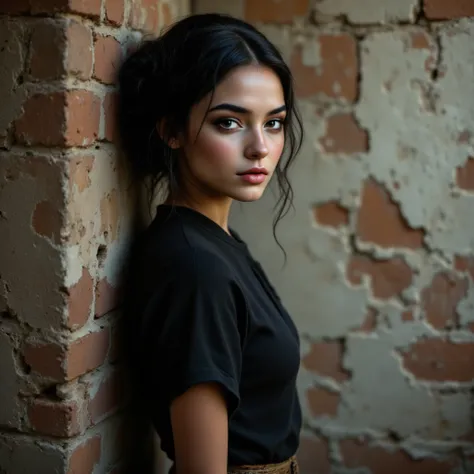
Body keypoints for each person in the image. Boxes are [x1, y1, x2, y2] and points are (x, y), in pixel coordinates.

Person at [118, 12, 304, 474]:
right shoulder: (194, 267)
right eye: (229, 123)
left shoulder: (215, 241)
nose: (260, 147)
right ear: (171, 130)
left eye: (274, 123)